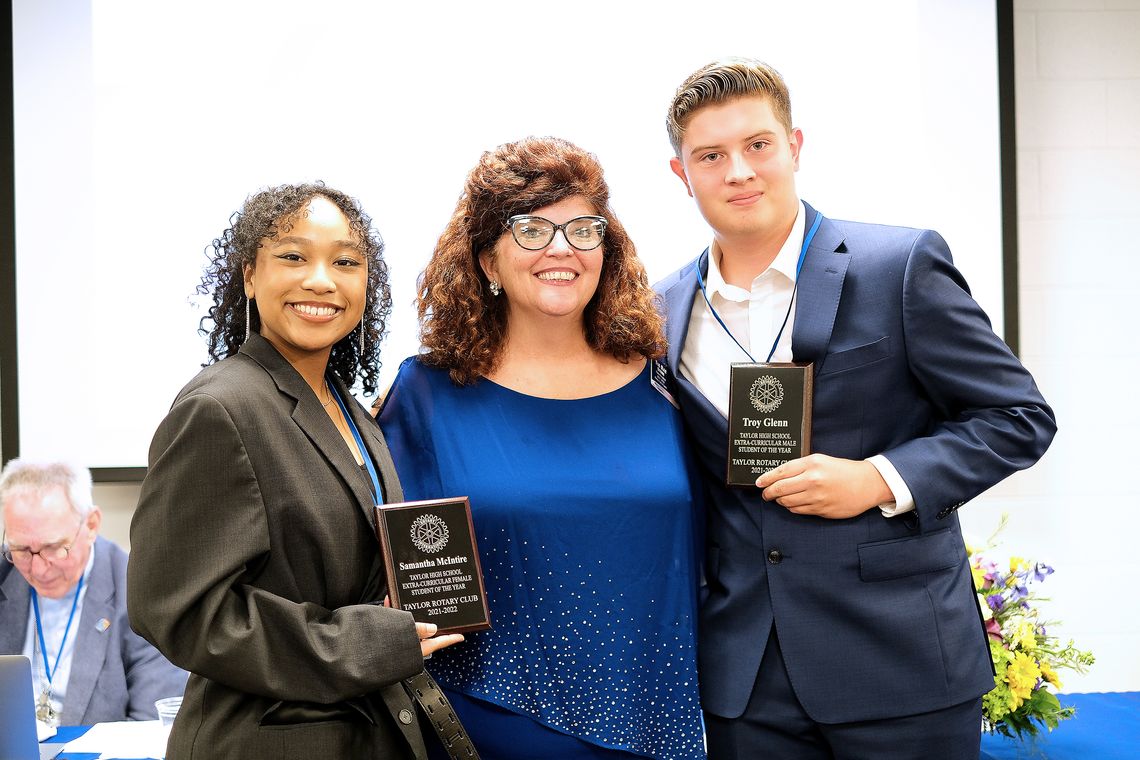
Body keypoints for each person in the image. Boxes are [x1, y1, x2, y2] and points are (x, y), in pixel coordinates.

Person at [656, 59, 1057, 760]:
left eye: (758, 146)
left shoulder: (898, 264)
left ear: (795, 146)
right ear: (680, 173)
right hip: (744, 681)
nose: (739, 172)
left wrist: (877, 478)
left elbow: (1018, 417)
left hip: (899, 663)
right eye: (711, 156)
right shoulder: (659, 310)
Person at [377, 137, 705, 760]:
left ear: (607, 251)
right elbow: (380, 560)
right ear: (487, 262)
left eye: (583, 229)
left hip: (664, 722)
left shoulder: (664, 384)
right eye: (530, 229)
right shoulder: (425, 394)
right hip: (490, 724)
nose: (561, 247)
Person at [127, 183, 464, 759]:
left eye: (346, 262)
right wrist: (360, 643)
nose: (321, 280)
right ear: (249, 277)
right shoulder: (220, 408)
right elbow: (178, 611)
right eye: (293, 256)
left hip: (369, 732)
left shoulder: (350, 409)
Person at [0, 458, 187, 726]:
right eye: (21, 550)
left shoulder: (141, 593)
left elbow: (152, 725)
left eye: (54, 547)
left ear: (91, 525)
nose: (38, 569)